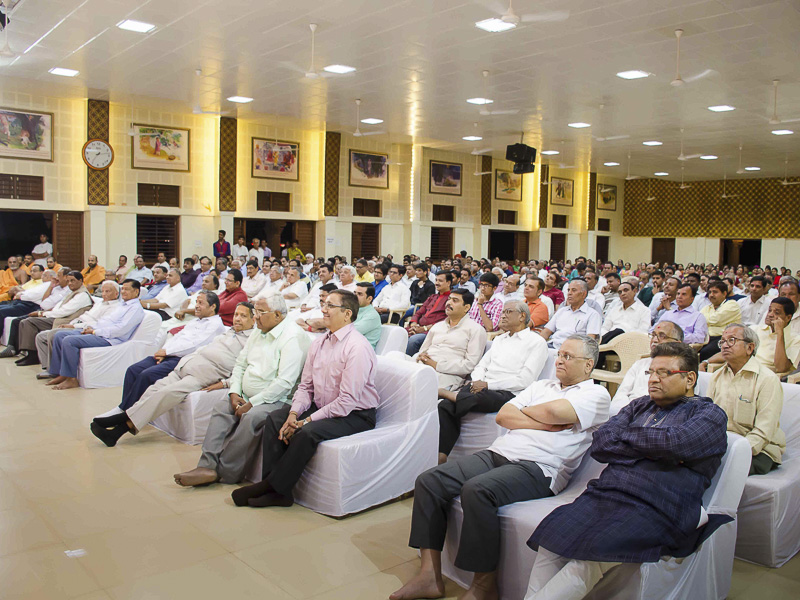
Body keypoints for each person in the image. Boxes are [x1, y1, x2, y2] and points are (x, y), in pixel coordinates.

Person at [391, 335, 610, 600]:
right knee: (429, 481)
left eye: (568, 356)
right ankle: (429, 575)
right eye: (560, 354)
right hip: (500, 452)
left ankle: (484, 586)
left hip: (540, 468)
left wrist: (528, 412)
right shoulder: (542, 385)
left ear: (588, 365)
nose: (559, 360)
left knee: (478, 490)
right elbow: (505, 415)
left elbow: (553, 413)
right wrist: (543, 423)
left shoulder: (596, 394)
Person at [524, 343, 729, 600]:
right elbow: (601, 443)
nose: (653, 379)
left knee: (591, 556)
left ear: (689, 378)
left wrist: (628, 439)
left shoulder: (709, 414)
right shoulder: (639, 406)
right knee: (551, 540)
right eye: (651, 372)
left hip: (659, 504)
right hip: (607, 494)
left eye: (664, 373)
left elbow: (676, 443)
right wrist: (655, 448)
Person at [231, 289, 380, 508]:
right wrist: (294, 413)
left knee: (306, 433)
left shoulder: (357, 347)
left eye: (330, 306)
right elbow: (305, 386)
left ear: (347, 314)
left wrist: (306, 421)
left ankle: (269, 487)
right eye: (324, 304)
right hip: (323, 406)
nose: (324, 310)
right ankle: (278, 491)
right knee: (276, 419)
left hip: (355, 414)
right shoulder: (318, 343)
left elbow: (347, 401)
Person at [174, 296, 310, 486]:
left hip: (278, 399)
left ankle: (226, 472)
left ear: (278, 315)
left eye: (260, 312)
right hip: (247, 394)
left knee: (252, 417)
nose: (255, 317)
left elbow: (284, 383)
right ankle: (206, 466)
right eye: (255, 312)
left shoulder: (293, 337)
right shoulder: (259, 330)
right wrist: (235, 393)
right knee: (222, 407)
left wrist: (252, 403)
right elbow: (240, 364)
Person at [89, 292, 224, 443]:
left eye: (201, 303)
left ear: (213, 307)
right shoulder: (195, 321)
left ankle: (125, 415)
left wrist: (167, 352)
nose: (196, 306)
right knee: (133, 370)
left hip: (182, 358)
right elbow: (178, 337)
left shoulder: (215, 325)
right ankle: (123, 408)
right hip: (168, 354)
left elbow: (195, 345)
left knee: (147, 375)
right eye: (196, 302)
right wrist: (164, 351)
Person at [437, 300, 549, 463]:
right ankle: (441, 456)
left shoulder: (536, 342)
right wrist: (477, 381)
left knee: (477, 398)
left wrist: (488, 385)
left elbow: (525, 380)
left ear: (522, 316)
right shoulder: (499, 339)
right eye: (503, 312)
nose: (503, 315)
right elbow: (481, 366)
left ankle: (448, 393)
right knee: (445, 406)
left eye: (508, 312)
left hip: (509, 392)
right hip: (481, 387)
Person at [706, 323, 785, 475]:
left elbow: (764, 431)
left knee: (722, 469)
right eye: (722, 341)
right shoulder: (716, 376)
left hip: (759, 449)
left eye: (732, 340)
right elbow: (707, 418)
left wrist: (734, 451)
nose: (725, 346)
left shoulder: (767, 379)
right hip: (723, 445)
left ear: (749, 348)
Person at [44, 280, 145, 390]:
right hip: (99, 331)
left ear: (136, 292)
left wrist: (95, 332)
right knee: (59, 335)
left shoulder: (135, 308)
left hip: (110, 339)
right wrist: (91, 327)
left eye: (127, 289)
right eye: (123, 289)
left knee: (69, 341)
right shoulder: (122, 305)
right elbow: (104, 321)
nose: (123, 291)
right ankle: (60, 373)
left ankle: (71, 379)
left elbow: (120, 330)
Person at [35, 279, 121, 376]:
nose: (104, 294)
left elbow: (96, 324)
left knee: (54, 335)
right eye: (103, 291)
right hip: (78, 323)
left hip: (86, 329)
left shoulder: (115, 307)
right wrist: (72, 323)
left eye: (107, 291)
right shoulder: (100, 303)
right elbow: (85, 316)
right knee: (41, 336)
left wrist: (73, 325)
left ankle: (56, 371)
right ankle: (48, 367)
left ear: (116, 294)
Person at [10, 271, 94, 366]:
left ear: (81, 281)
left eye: (72, 281)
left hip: (65, 320)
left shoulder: (82, 295)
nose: (70, 283)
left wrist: (42, 314)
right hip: (57, 317)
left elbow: (64, 311)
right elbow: (57, 307)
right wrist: (45, 313)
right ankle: (30, 353)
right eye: (68, 281)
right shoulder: (73, 292)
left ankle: (33, 356)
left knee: (29, 322)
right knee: (25, 321)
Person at [413, 289, 487, 389]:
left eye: (455, 300)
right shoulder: (438, 326)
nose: (449, 303)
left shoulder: (476, 330)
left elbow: (470, 365)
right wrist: (420, 357)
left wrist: (436, 365)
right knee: (395, 358)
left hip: (446, 376)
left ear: (466, 308)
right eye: (449, 299)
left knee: (417, 380)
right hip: (422, 366)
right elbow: (423, 350)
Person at [611, 321, 684, 415]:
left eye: (662, 336)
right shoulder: (640, 364)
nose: (655, 340)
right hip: (628, 413)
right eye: (653, 335)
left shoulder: (682, 370)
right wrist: (626, 414)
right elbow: (621, 394)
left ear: (677, 343)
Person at [540, 280, 602, 349]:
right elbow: (546, 332)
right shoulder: (562, 311)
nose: (569, 293)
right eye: (568, 290)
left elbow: (590, 341)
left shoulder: (592, 314)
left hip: (572, 350)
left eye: (574, 290)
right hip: (553, 345)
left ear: (583, 294)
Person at [405, 272, 453, 355]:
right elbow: (419, 312)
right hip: (418, 327)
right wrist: (414, 324)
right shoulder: (433, 297)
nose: (437, 283)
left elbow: (446, 321)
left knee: (413, 340)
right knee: (399, 333)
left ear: (448, 283)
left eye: (440, 281)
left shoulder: (451, 300)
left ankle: (408, 362)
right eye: (436, 280)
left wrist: (424, 328)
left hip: (433, 331)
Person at [699, 281, 742, 361]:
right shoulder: (707, 307)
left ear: (724, 293)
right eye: (710, 292)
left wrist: (706, 320)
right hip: (706, 337)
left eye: (715, 292)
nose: (711, 295)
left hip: (724, 338)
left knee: (705, 352)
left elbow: (716, 320)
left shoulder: (732, 304)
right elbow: (699, 320)